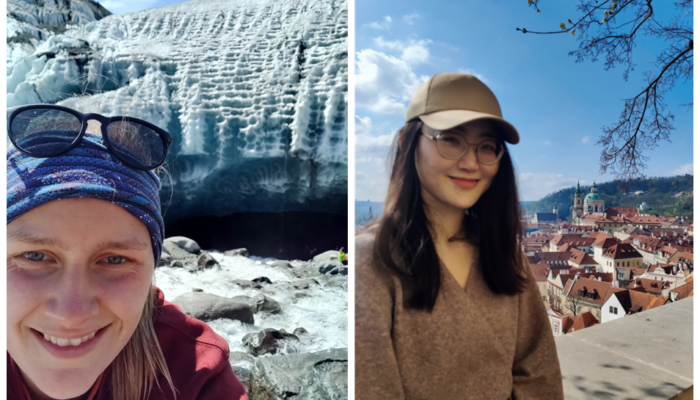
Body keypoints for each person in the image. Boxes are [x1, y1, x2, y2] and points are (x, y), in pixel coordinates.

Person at [6, 104, 248, 400]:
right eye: (35, 256)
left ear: (152, 269)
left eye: (115, 259)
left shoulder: (193, 373)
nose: (71, 314)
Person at [355, 73, 564, 399]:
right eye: (451, 139)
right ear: (406, 142)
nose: (470, 163)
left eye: (487, 147)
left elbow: (539, 375)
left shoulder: (505, 255)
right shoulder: (371, 263)